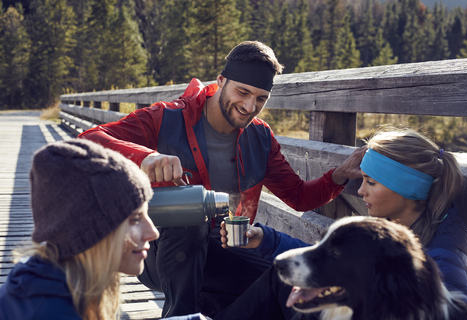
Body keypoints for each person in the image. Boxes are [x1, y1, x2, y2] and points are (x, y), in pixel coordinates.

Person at [78, 40, 364, 317]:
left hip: (227, 251)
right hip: (159, 252)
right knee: (189, 215)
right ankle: (181, 316)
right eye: (243, 92)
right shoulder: (166, 119)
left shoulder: (261, 137)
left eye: (261, 98)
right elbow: (88, 142)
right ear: (221, 81)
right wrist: (145, 157)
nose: (250, 106)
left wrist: (338, 175)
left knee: (286, 286)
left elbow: (299, 197)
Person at [216, 127, 467, 319]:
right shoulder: (393, 226)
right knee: (283, 278)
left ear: (407, 189)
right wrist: (266, 239)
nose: (361, 191)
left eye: (371, 182)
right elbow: (332, 257)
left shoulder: (441, 260)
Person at [0, 139, 162, 319]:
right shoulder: (51, 313)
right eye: (135, 220)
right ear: (88, 231)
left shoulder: (51, 287)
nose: (153, 233)